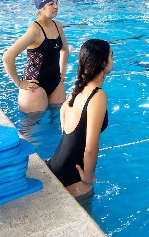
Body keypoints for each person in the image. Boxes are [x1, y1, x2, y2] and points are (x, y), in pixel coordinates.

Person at [47, 39, 111, 204]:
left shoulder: (78, 91)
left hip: (56, 165)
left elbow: (64, 120)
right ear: (104, 63)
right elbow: (90, 147)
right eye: (112, 56)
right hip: (73, 178)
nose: (113, 59)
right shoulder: (97, 95)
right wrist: (89, 176)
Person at [3, 0, 69, 113]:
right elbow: (7, 57)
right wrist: (19, 83)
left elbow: (64, 49)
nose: (55, 7)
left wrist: (62, 71)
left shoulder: (58, 26)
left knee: (58, 122)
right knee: (32, 128)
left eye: (56, 3)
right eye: (51, 4)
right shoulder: (35, 30)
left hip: (55, 81)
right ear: (40, 8)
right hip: (34, 86)